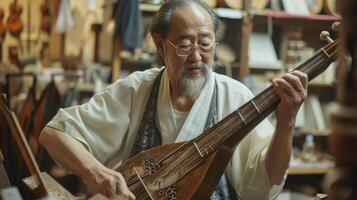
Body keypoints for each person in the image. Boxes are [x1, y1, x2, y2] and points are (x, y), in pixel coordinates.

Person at [39, 0, 308, 199]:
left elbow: (265, 184)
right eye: (184, 44)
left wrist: (287, 122)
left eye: (205, 43)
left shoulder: (236, 97)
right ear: (159, 44)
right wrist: (96, 173)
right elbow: (55, 134)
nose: (197, 56)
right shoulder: (137, 90)